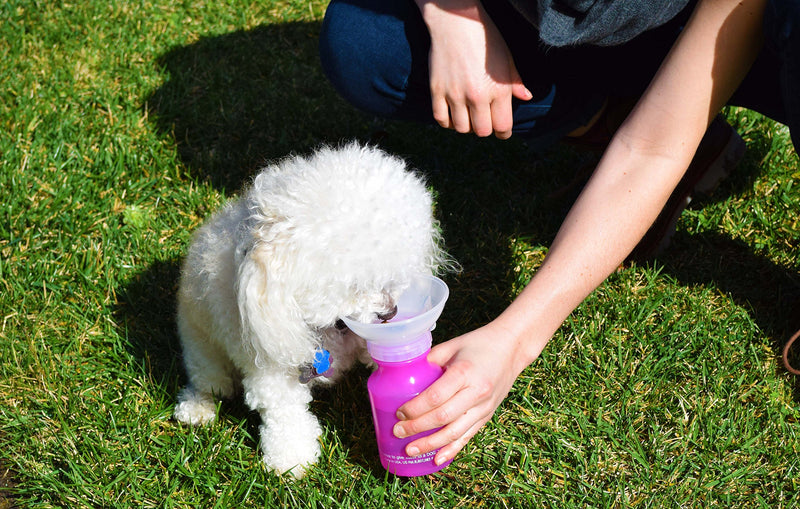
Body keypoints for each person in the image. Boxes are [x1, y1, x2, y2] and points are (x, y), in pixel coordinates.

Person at [318, 0, 800, 468]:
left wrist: (514, 341)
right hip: (615, 33)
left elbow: (651, 149)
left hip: (759, 37)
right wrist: (452, 13)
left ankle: (682, 102)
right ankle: (620, 112)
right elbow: (650, 146)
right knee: (365, 40)